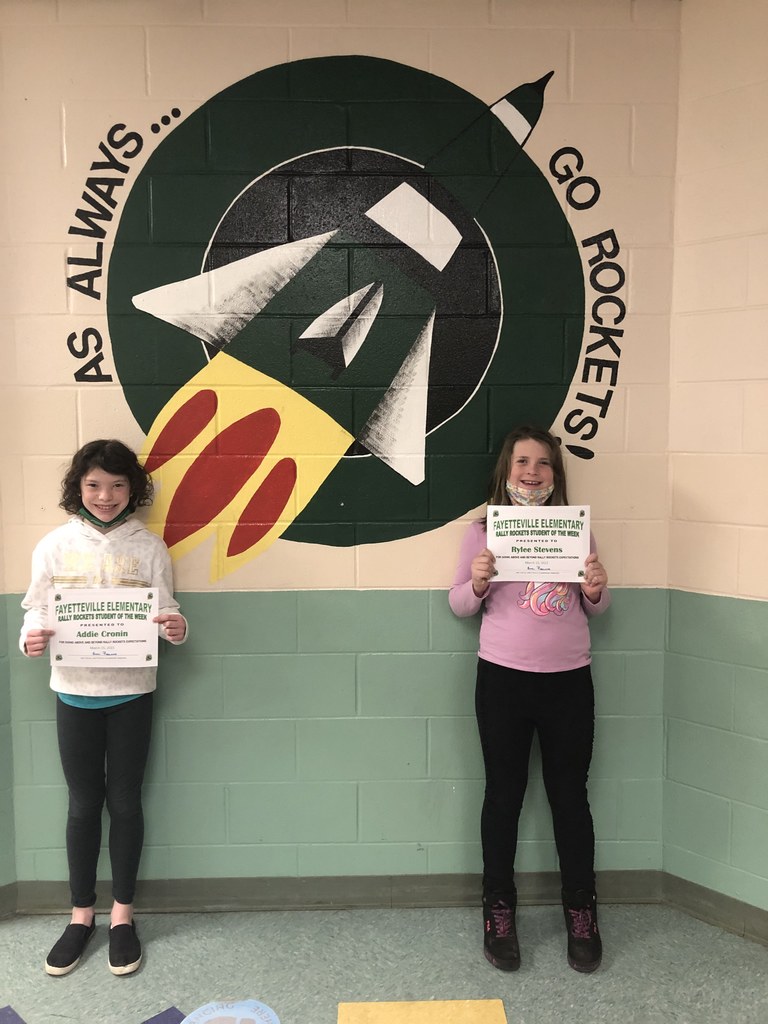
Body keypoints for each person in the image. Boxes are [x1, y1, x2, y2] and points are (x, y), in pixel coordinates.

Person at [19, 440, 188, 978]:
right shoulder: (54, 545)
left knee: (126, 803)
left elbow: (167, 611)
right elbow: (35, 610)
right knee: (82, 805)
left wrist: (177, 628)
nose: (105, 495)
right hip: (73, 693)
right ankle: (81, 915)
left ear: (132, 489)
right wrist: (31, 637)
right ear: (78, 487)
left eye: (117, 485)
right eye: (94, 484)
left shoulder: (150, 547)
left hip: (132, 693)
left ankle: (121, 916)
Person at [449, 425, 610, 974]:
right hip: (503, 679)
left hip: (569, 679)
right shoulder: (482, 532)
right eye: (522, 462)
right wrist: (476, 582)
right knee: (503, 797)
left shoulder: (575, 531)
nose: (532, 472)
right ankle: (498, 910)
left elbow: (597, 605)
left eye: (543, 463)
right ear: (506, 470)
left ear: (556, 475)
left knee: (570, 799)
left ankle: (581, 910)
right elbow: (459, 605)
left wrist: (595, 589)